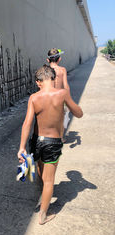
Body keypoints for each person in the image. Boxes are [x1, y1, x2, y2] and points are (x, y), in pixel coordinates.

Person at [17, 65, 83, 225]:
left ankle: (43, 196)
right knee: (49, 180)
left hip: (36, 141)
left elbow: (27, 123)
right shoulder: (62, 94)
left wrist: (22, 147)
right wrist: (67, 104)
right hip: (53, 143)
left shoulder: (34, 97)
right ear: (54, 79)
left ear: (38, 82)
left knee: (40, 171)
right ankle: (43, 215)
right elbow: (79, 113)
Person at [47, 48, 70, 141]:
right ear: (59, 59)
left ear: (48, 60)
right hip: (60, 97)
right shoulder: (62, 70)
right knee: (62, 118)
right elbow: (66, 86)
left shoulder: (45, 70)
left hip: (48, 97)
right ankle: (60, 137)